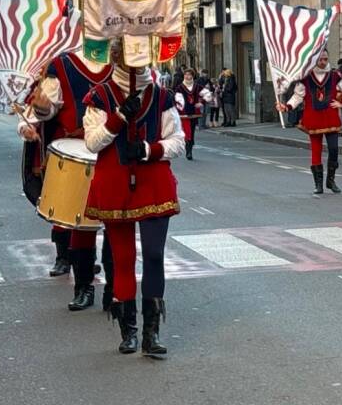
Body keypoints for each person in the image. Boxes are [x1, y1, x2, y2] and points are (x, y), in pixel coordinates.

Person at [83, 46, 184, 356]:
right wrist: (117, 120)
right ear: (117, 57)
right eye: (132, 53)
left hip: (153, 182)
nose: (140, 59)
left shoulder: (161, 96)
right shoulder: (99, 96)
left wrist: (147, 150)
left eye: (143, 53)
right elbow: (91, 142)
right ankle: (128, 330)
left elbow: (177, 140)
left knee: (154, 255)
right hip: (115, 183)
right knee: (122, 259)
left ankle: (151, 334)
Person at [18, 49, 114, 311]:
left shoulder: (124, 61)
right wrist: (35, 116)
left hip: (113, 149)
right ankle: (84, 287)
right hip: (75, 151)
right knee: (79, 222)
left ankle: (116, 290)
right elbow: (44, 111)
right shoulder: (62, 64)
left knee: (117, 223)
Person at [276, 52, 342, 194]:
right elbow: (298, 96)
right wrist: (286, 107)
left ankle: (331, 181)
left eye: (325, 59)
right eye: (320, 59)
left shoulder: (335, 75)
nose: (323, 62)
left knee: (334, 149)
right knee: (316, 151)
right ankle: (318, 184)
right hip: (313, 118)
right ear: (314, 60)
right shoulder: (306, 77)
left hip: (330, 117)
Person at [174, 68, 209, 161]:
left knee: (192, 133)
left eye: (189, 74)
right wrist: (179, 107)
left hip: (194, 113)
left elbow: (208, 95)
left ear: (192, 76)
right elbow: (176, 99)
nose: (187, 76)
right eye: (185, 74)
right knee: (187, 132)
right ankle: (188, 152)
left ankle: (190, 148)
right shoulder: (179, 87)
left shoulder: (197, 87)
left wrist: (201, 102)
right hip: (184, 114)